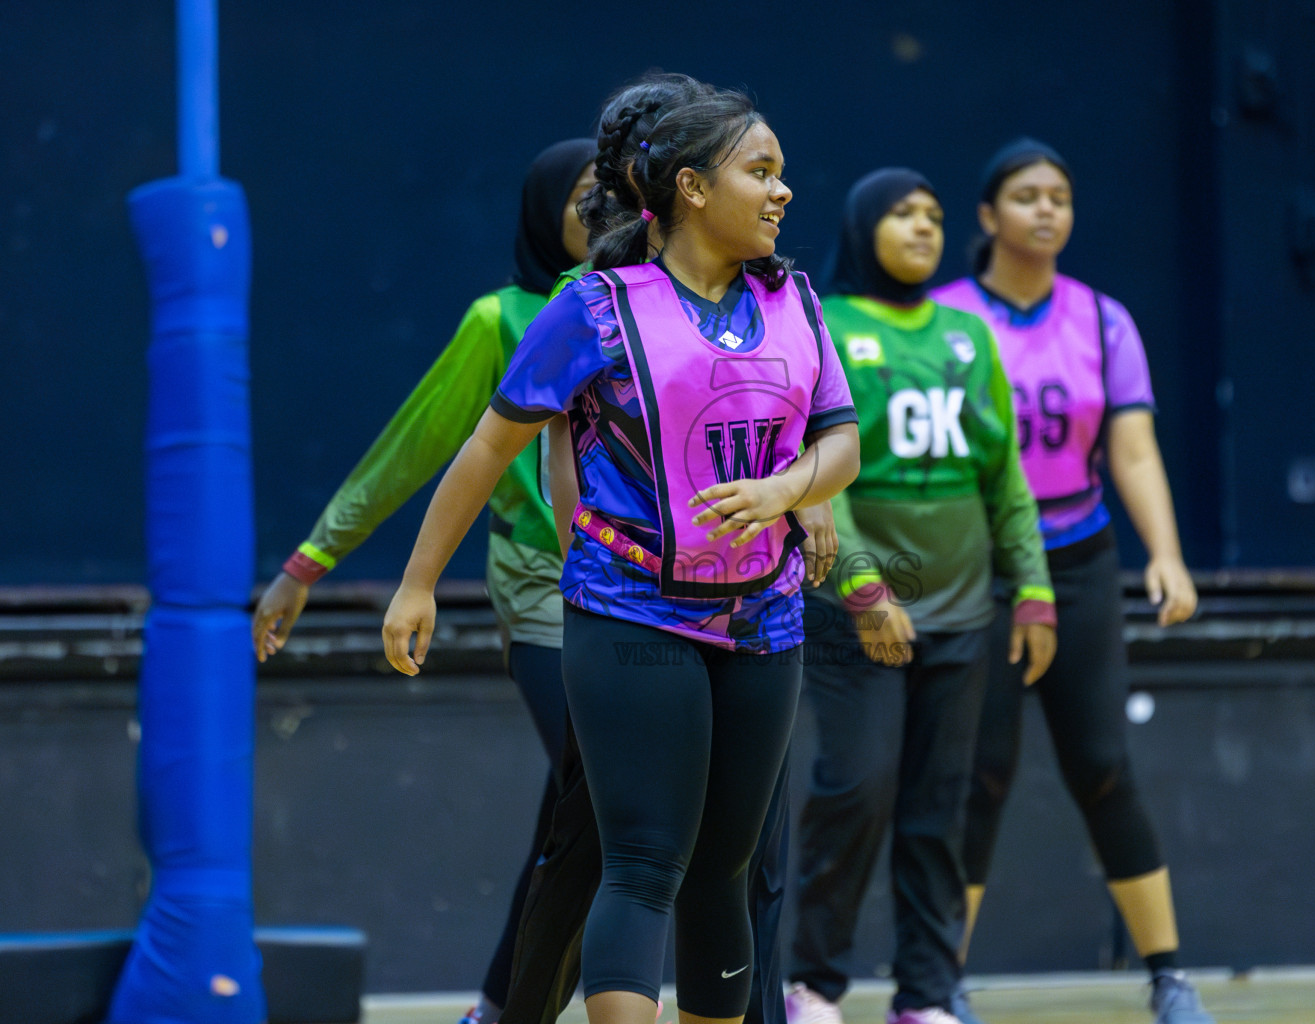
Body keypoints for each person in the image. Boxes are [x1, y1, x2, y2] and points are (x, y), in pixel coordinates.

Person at [381, 74, 861, 1024]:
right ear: (689, 187)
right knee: (644, 863)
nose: (782, 192)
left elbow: (840, 443)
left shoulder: (797, 302)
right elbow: (489, 447)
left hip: (765, 615)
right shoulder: (595, 308)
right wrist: (418, 583)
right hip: (631, 611)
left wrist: (786, 489)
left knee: (723, 872)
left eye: (782, 174)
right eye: (759, 172)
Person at [249, 136, 597, 1024]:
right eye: (586, 197)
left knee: (582, 808)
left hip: (656, 598)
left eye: (620, 197)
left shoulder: (667, 307)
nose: (606, 215)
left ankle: (496, 1005)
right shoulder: (503, 320)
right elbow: (412, 450)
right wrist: (308, 563)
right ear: (545, 211)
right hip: (543, 592)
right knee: (592, 790)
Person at [931, 138, 1211, 1024]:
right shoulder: (943, 319)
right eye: (1026, 195)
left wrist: (1163, 553)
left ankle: (1168, 975)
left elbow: (1131, 449)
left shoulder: (1102, 320)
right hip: (980, 567)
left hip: (1080, 559)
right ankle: (940, 985)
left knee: (1102, 765)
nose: (1047, 209)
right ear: (988, 217)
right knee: (979, 772)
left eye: (1060, 195)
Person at [784, 169, 1056, 1024]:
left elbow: (1004, 475)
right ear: (866, 227)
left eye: (934, 216)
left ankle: (928, 995)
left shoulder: (969, 335)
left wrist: (1037, 589)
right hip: (853, 616)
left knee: (941, 806)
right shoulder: (825, 325)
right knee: (855, 789)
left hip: (965, 617)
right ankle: (815, 985)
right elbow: (821, 481)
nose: (923, 228)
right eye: (903, 214)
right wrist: (864, 590)